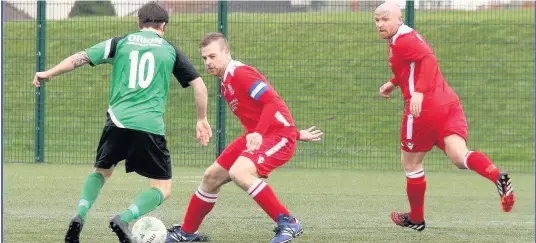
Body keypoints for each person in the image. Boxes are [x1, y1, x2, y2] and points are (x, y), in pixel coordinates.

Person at [32, 2, 212, 243]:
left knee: (101, 172)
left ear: (139, 23)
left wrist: (48, 73)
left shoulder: (121, 42)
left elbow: (82, 57)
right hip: (149, 126)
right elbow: (199, 86)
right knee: (162, 188)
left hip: (117, 121)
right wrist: (201, 119)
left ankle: (80, 215)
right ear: (163, 26)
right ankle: (124, 219)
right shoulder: (170, 50)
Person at [165, 32, 324, 243]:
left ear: (226, 52)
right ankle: (187, 233)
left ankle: (288, 222)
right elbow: (259, 112)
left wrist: (285, 132)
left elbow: (271, 102)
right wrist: (291, 132)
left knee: (239, 172)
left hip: (276, 136)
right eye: (204, 58)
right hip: (262, 134)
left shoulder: (240, 73)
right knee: (211, 176)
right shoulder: (225, 80)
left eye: (213, 56)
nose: (208, 62)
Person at [373, 2, 515, 231]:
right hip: (447, 103)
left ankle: (417, 219)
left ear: (399, 19)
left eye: (385, 19)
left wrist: (418, 92)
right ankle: (497, 176)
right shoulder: (402, 37)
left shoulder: (403, 40)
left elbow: (429, 60)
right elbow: (411, 67)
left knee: (411, 164)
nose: (380, 24)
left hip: (423, 109)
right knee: (460, 156)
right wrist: (392, 83)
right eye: (377, 20)